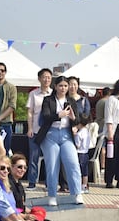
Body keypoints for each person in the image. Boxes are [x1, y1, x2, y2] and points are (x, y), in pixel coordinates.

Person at [35, 76, 84, 206]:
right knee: (52, 165)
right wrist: (58, 115)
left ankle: (77, 193)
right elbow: (45, 116)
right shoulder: (48, 100)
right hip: (50, 134)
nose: (63, 88)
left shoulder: (71, 100)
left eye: (65, 86)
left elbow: (78, 120)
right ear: (55, 86)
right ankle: (52, 195)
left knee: (73, 163)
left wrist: (74, 118)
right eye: (61, 86)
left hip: (67, 134)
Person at [25, 68, 54, 189]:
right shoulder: (33, 94)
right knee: (33, 157)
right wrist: (30, 128)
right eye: (44, 77)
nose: (46, 79)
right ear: (39, 79)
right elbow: (30, 112)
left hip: (50, 131)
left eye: (49, 77)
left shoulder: (54, 93)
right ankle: (32, 182)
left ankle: (49, 182)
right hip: (36, 129)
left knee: (50, 158)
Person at [73, 114, 91, 193]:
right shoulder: (87, 131)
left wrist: (74, 135)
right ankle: (84, 186)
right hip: (86, 153)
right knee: (85, 172)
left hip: (80, 153)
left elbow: (77, 145)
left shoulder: (79, 134)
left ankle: (79, 186)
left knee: (78, 171)